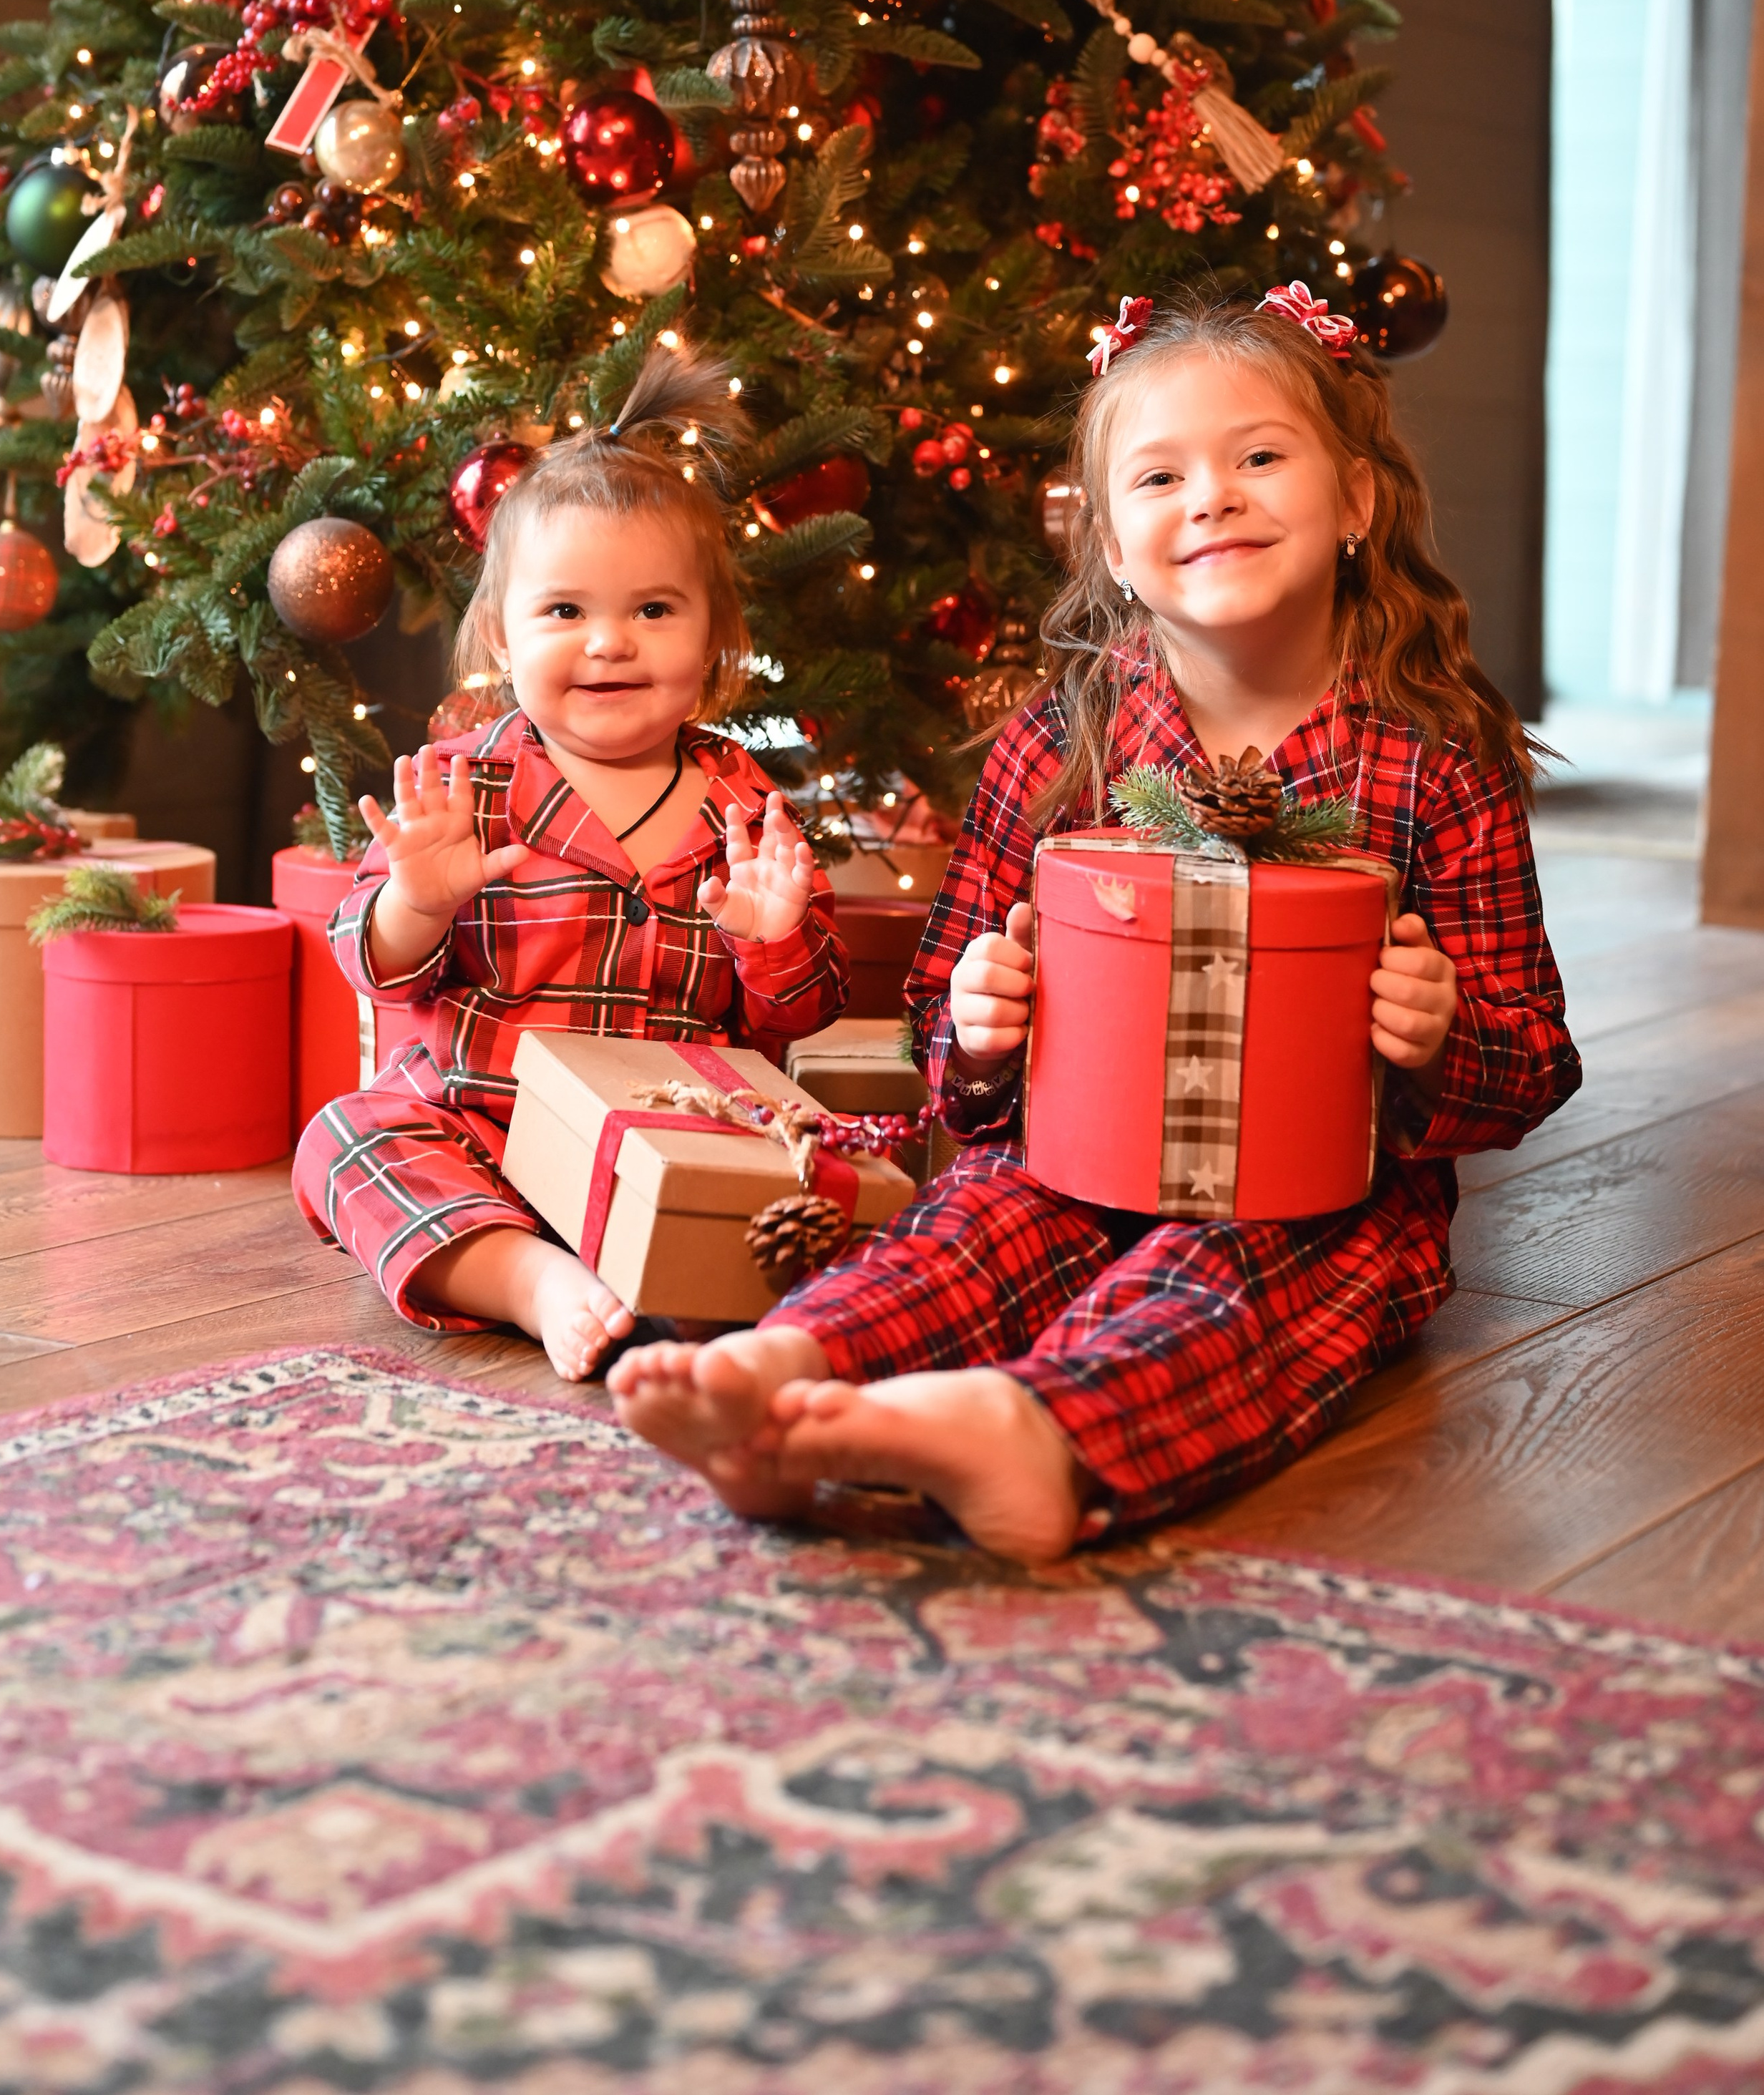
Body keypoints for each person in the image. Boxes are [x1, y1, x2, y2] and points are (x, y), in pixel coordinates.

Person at [613, 283, 1582, 1559]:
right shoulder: (1062, 745)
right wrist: (981, 1026)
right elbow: (948, 1031)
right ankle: (791, 1373)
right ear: (1115, 549)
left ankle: (1030, 1435)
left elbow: (1535, 1058)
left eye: (1259, 458)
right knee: (976, 1224)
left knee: (1237, 1284)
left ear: (1357, 499)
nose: (1212, 498)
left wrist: (1442, 1039)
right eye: (1162, 477)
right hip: (1073, 1151)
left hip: (1328, 1193)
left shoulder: (1432, 763)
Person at [291, 352, 847, 1379]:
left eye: (653, 611)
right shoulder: (464, 787)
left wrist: (775, 939)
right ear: (502, 637)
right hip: (482, 1127)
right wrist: (417, 900)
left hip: (667, 1139)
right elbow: (373, 966)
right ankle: (529, 1280)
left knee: (811, 1179)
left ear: (714, 638)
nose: (609, 644)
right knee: (346, 1138)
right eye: (565, 613)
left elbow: (802, 1011)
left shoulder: (741, 801)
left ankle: (659, 1278)